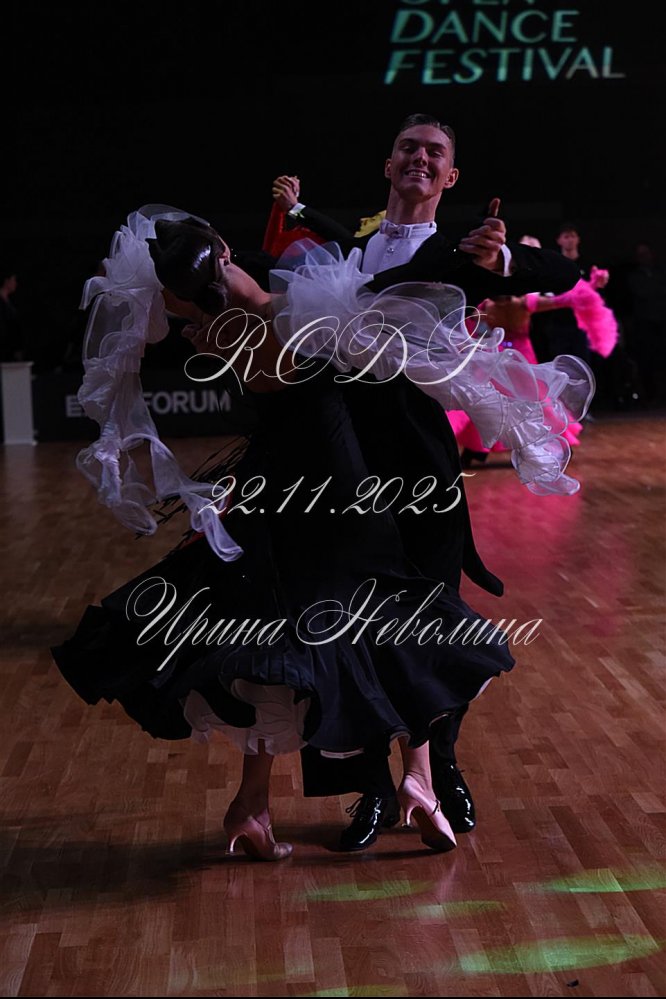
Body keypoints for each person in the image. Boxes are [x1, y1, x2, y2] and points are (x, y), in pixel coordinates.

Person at [51, 207, 592, 862]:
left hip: (272, 494)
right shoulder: (299, 305)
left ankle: (253, 804)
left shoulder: (212, 332)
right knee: (394, 618)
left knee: (271, 637)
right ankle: (417, 782)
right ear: (224, 247)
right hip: (340, 492)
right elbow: (386, 329)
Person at [271, 114, 582, 850]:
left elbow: (562, 276)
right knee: (349, 620)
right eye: (408, 148)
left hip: (419, 455)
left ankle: (439, 767)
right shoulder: (356, 246)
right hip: (344, 458)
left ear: (451, 176)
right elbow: (321, 248)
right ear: (389, 164)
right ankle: (373, 788)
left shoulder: (462, 249)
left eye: (434, 153)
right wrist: (295, 208)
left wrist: (504, 259)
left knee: (432, 615)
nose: (420, 158)